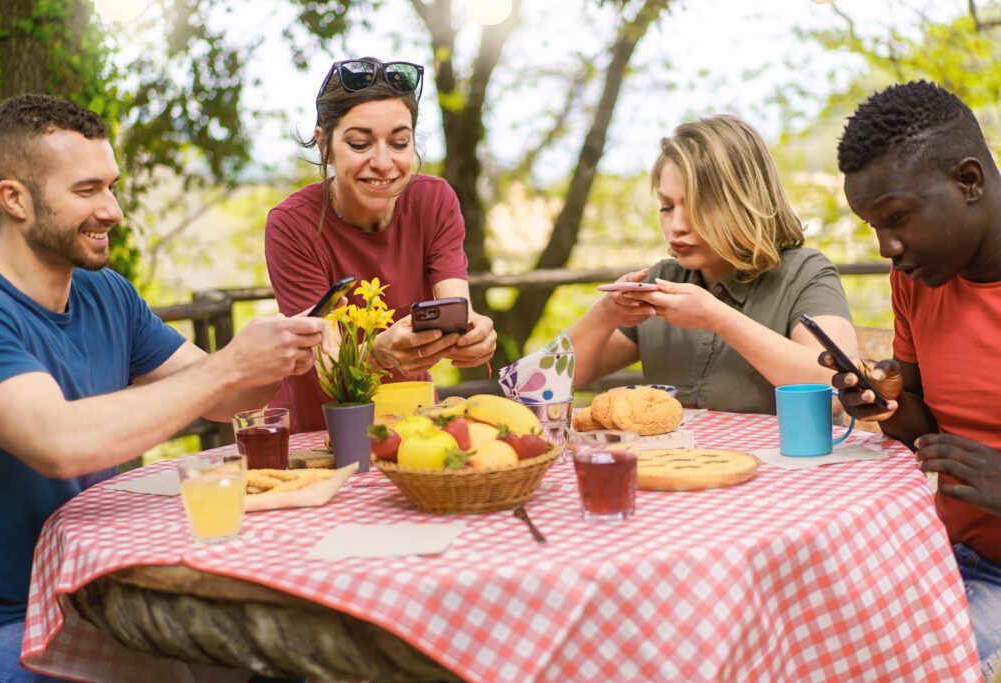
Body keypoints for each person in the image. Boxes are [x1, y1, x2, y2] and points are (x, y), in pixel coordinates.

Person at [0, 94, 331, 681]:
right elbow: (55, 440)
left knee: (263, 658)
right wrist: (231, 366)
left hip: (104, 592)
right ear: (14, 198)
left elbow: (222, 398)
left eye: (112, 187)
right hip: (6, 619)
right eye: (87, 190)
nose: (112, 210)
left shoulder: (106, 294)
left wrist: (279, 356)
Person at [826, 79, 1001, 678]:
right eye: (875, 227)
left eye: (897, 218)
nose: (887, 248)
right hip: (961, 558)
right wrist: (884, 408)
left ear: (969, 181)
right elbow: (925, 424)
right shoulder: (918, 280)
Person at [265, 57, 496, 432]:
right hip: (322, 429)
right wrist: (378, 354)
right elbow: (325, 367)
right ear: (325, 146)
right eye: (360, 144)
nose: (384, 163)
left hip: (414, 422)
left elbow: (457, 307)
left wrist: (473, 335)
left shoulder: (435, 201)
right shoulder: (291, 225)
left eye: (400, 142)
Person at [568, 115, 857, 414]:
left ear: (744, 201)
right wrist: (604, 314)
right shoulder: (662, 282)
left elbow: (835, 391)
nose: (676, 225)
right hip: (675, 461)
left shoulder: (804, 274)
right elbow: (537, 386)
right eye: (666, 206)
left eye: (697, 206)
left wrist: (717, 317)